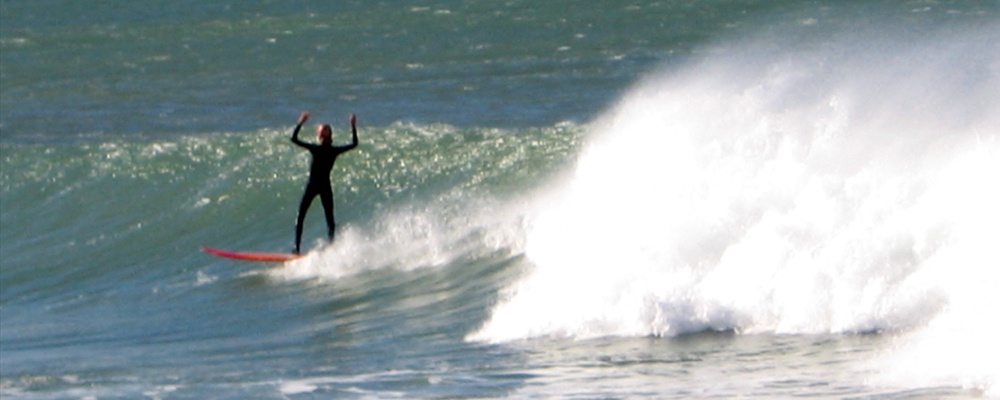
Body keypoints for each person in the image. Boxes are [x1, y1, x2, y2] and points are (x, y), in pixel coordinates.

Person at [290, 111, 358, 254]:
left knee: (301, 216)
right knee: (329, 219)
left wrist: (300, 122)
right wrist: (352, 126)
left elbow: (294, 139)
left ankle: (296, 249)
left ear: (320, 136)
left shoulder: (316, 149)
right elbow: (354, 144)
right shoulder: (333, 151)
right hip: (325, 186)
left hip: (313, 185)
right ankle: (332, 248)